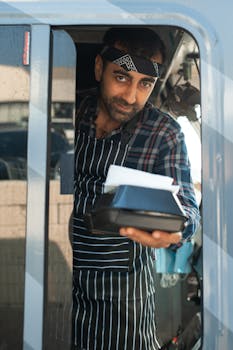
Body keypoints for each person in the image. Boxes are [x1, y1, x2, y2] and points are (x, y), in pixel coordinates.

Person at [72, 27, 200, 350]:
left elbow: (187, 209)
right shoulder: (67, 112)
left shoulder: (163, 134)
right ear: (100, 68)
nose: (131, 96)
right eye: (122, 77)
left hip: (123, 310)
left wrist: (175, 230)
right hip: (58, 286)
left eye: (145, 84)